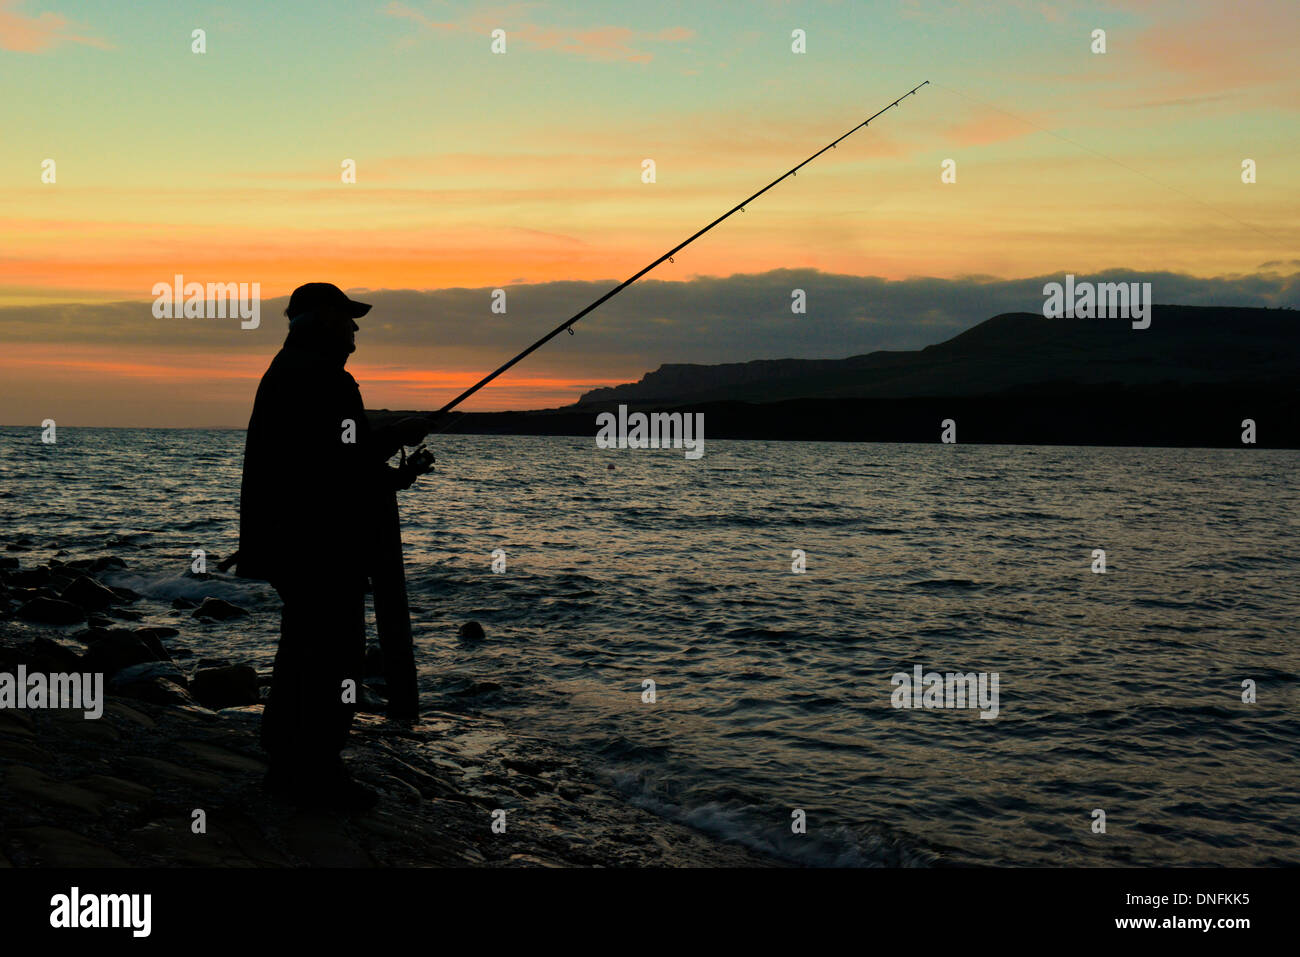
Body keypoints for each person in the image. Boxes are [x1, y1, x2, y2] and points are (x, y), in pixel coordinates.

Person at [236, 282, 430, 812]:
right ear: (320, 321)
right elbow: (339, 458)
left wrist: (398, 475)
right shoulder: (318, 378)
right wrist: (399, 433)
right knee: (332, 656)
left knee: (304, 650)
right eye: (347, 319)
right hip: (315, 545)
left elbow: (330, 466)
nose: (355, 329)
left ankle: (288, 762)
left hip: (295, 540)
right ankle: (316, 770)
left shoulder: (295, 372)